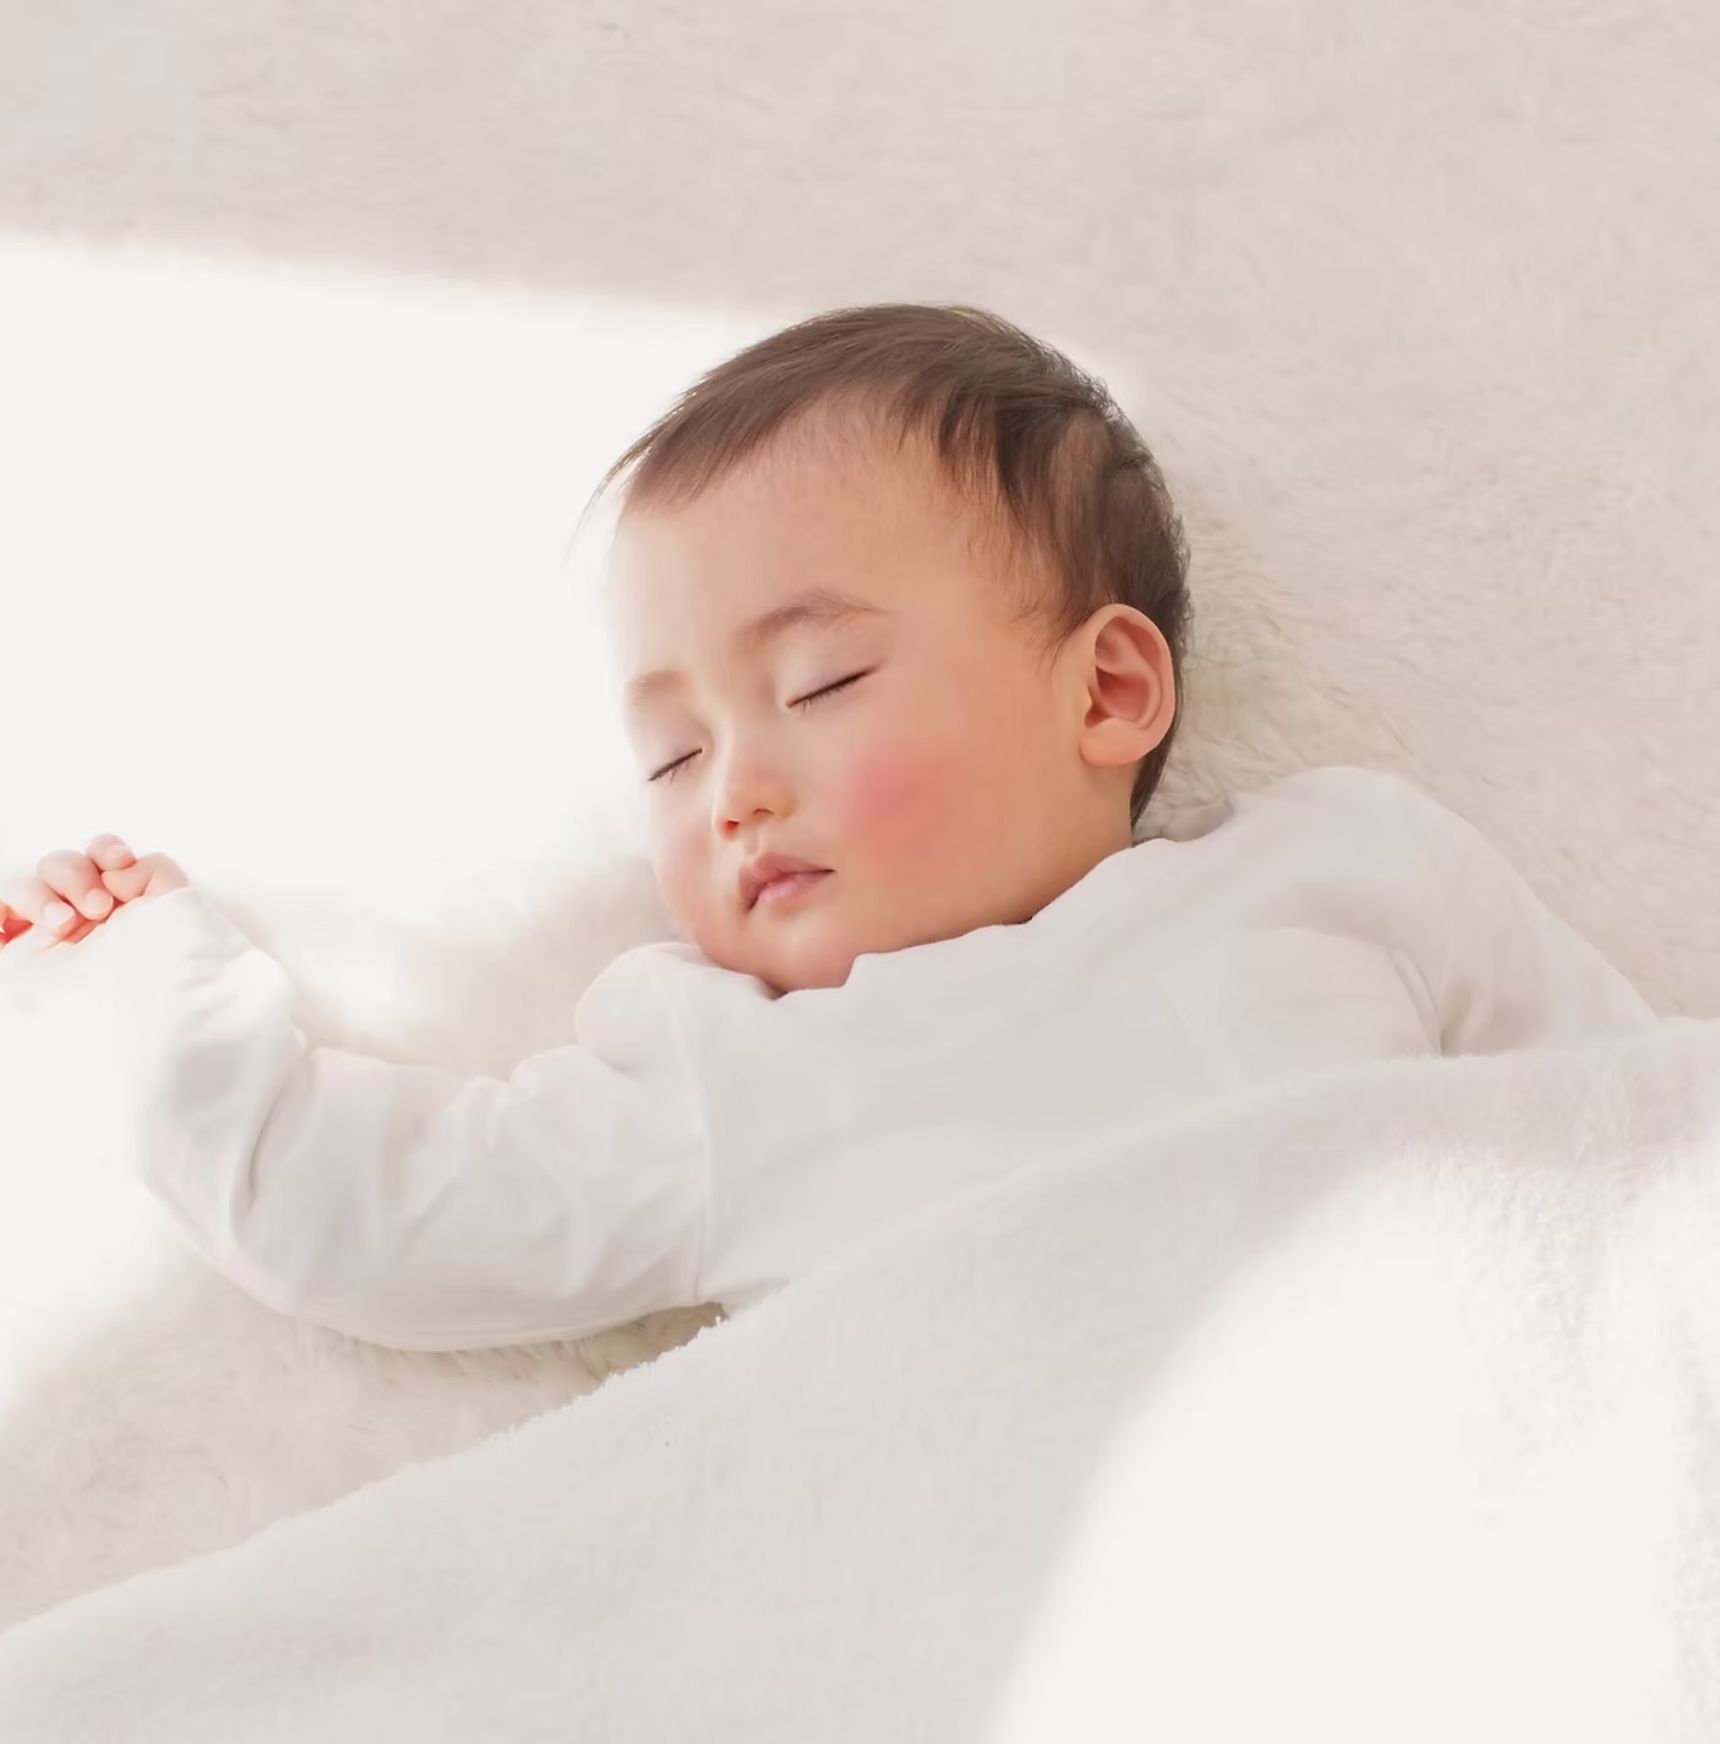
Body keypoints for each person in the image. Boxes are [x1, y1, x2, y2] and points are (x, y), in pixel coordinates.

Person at [0, 303, 1658, 1352]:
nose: (733, 786)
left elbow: (1641, 1124)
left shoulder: (1346, 871)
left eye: (823, 678)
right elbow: (379, 1212)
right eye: (669, 760)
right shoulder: (730, 1074)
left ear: (1107, 695)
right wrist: (159, 981)